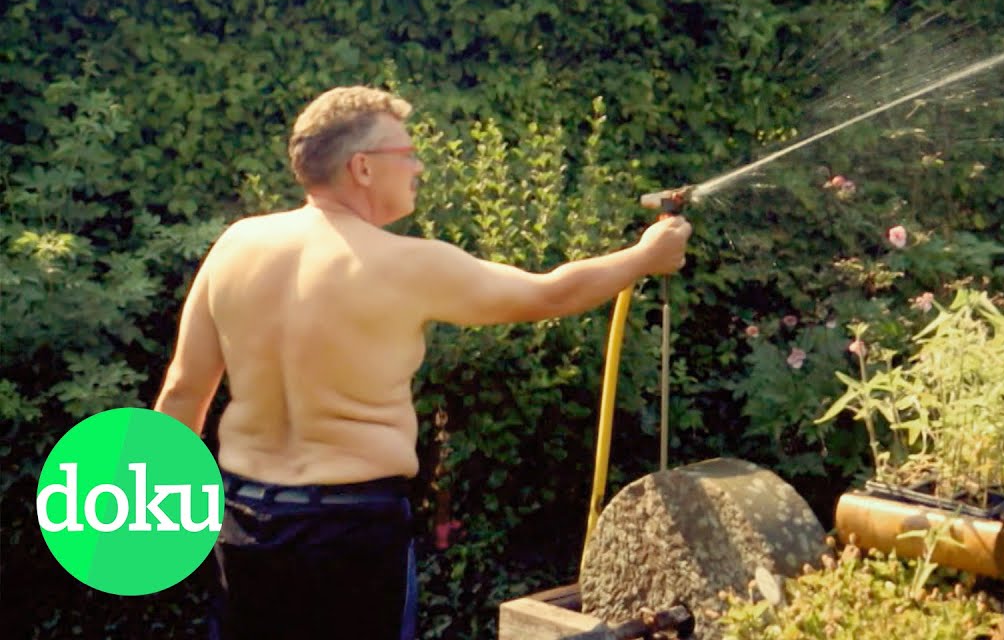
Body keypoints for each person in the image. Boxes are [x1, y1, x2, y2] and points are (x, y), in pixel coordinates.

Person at [153, 86, 692, 639]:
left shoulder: (235, 245)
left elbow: (182, 393)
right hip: (351, 531)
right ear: (362, 167)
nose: (418, 166)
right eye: (405, 154)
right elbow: (548, 294)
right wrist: (646, 255)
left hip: (243, 524)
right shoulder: (403, 264)